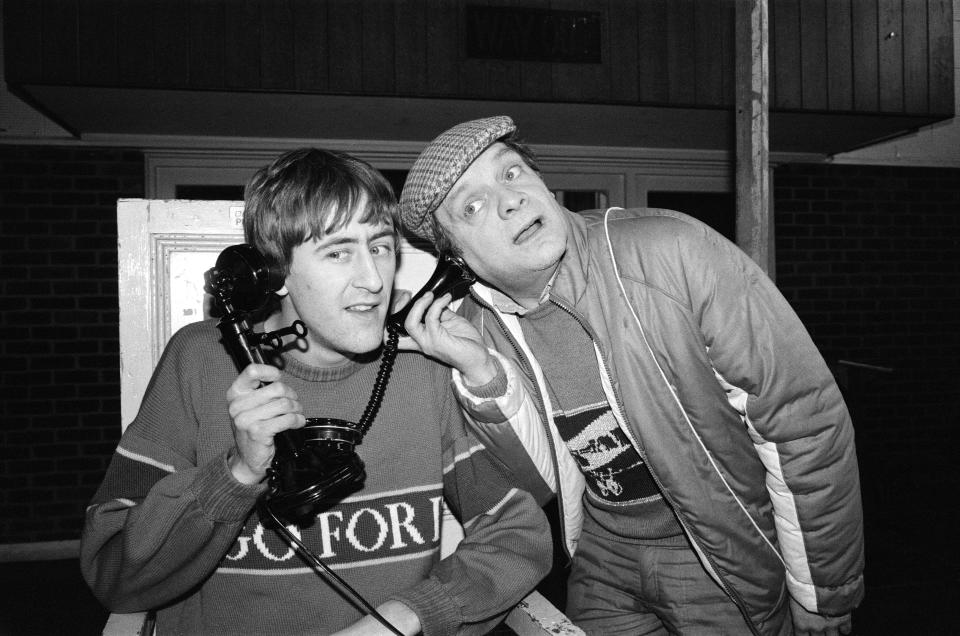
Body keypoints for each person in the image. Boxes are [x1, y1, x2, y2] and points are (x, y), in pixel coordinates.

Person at [398, 116, 864, 636]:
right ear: (453, 254)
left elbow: (801, 421)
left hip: (711, 552)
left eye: (511, 173)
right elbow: (541, 480)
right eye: (472, 205)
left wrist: (822, 591)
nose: (510, 200)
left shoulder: (672, 251)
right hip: (600, 556)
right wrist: (480, 371)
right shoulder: (475, 327)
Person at [80, 147, 551, 635]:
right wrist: (236, 475)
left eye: (381, 246)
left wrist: (404, 618)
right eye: (338, 252)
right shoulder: (198, 361)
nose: (372, 281)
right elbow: (113, 573)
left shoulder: (422, 369)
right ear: (275, 273)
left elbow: (517, 536)